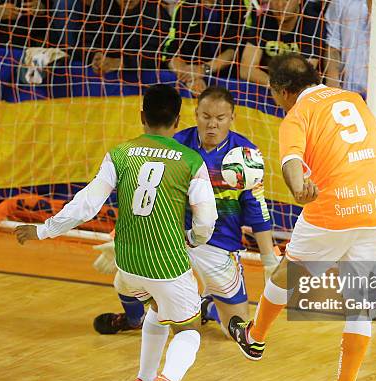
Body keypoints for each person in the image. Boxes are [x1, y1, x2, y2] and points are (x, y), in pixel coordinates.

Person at [14, 84, 217, 381]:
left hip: (126, 266)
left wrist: (42, 230)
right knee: (190, 329)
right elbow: (206, 221)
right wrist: (193, 240)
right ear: (179, 119)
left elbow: (87, 205)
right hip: (166, 264)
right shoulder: (191, 161)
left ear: (142, 117)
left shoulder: (120, 153)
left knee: (156, 309)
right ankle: (169, 379)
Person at [228, 53, 376, 381]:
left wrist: (297, 189)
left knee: (287, 275)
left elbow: (291, 163)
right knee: (360, 305)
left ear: (281, 90)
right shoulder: (353, 98)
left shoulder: (295, 116)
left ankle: (255, 337)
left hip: (334, 206)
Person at [93, 86, 279, 337]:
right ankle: (134, 319)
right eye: (206, 116)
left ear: (232, 118)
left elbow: (256, 208)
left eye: (220, 118)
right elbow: (144, 195)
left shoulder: (246, 155)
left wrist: (268, 259)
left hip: (219, 244)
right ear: (196, 114)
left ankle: (207, 306)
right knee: (125, 280)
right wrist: (119, 237)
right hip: (171, 238)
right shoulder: (176, 145)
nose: (212, 124)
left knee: (234, 331)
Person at [161, 0, 255, 94]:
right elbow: (171, 54)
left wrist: (204, 69)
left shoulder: (236, 5)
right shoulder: (185, 7)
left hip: (230, 80)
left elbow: (234, 50)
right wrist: (189, 77)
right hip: (193, 76)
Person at [240, 0, 326, 86]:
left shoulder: (313, 22)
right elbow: (245, 69)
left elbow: (303, 74)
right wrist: (276, 86)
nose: (280, 4)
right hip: (272, 87)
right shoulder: (263, 20)